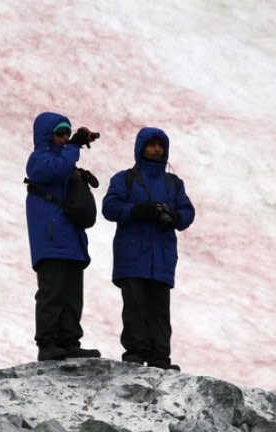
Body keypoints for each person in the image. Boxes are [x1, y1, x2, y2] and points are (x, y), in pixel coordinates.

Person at [101, 127, 195, 370]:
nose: (157, 149)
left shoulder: (174, 183)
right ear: (141, 147)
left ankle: (160, 358)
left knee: (160, 310)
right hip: (132, 255)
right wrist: (138, 210)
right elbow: (110, 207)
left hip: (161, 257)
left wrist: (174, 216)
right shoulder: (125, 179)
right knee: (135, 305)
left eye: (160, 145)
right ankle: (134, 354)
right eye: (152, 145)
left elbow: (188, 213)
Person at [24, 111, 101, 361]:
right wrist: (75, 146)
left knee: (71, 295)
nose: (64, 138)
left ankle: (69, 342)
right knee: (52, 292)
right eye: (60, 133)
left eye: (67, 134)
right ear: (46, 135)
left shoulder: (68, 162)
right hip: (50, 240)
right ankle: (47, 344)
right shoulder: (38, 160)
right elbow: (55, 169)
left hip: (70, 240)